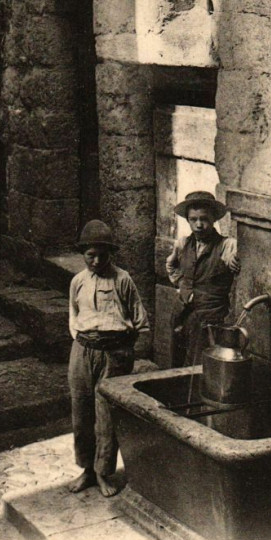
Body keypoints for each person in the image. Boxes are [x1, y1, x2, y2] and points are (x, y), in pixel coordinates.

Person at [68, 219, 150, 497]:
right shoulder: (77, 282)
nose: (97, 260)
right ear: (83, 254)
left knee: (106, 416)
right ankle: (87, 470)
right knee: (81, 413)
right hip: (82, 351)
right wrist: (83, 342)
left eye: (103, 255)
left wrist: (123, 350)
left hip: (114, 354)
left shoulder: (122, 279)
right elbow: (73, 316)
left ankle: (104, 473)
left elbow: (140, 320)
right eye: (91, 255)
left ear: (110, 254)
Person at [166, 191, 240, 366]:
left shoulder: (226, 245)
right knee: (177, 363)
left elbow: (233, 260)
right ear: (188, 220)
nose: (199, 224)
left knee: (200, 368)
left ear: (214, 218)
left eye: (204, 219)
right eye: (193, 219)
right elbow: (171, 265)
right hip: (182, 315)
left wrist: (234, 262)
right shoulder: (182, 244)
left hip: (210, 320)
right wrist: (181, 284)